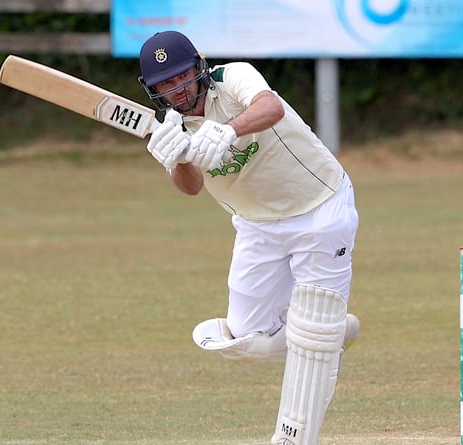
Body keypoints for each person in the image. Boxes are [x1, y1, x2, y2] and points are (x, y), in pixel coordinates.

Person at [138, 31, 360, 445]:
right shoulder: (173, 126)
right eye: (164, 84)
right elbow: (190, 188)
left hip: (319, 207)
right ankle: (330, 331)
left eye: (182, 76)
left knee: (312, 336)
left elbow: (270, 106)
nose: (177, 89)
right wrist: (176, 157)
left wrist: (228, 131)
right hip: (256, 226)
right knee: (243, 339)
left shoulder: (234, 76)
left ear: (199, 68)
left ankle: (293, 437)